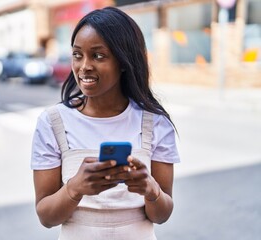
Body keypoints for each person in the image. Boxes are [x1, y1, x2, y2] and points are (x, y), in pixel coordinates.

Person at [31, 6, 180, 240]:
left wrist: (150, 190)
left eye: (98, 55)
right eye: (78, 54)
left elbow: (161, 215)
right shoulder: (53, 122)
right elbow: (46, 217)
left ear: (123, 61)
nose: (84, 66)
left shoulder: (156, 122)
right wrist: (75, 188)